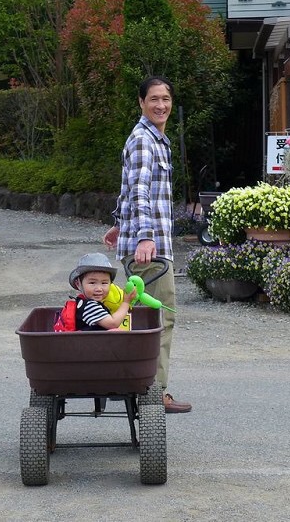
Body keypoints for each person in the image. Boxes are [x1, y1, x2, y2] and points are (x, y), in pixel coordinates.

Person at [103, 75, 192, 414]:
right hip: (149, 249)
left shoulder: (154, 139)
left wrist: (118, 224)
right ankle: (153, 393)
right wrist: (142, 236)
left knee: (144, 319)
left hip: (147, 243)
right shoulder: (144, 140)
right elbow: (139, 191)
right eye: (153, 99)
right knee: (159, 318)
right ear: (141, 102)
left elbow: (129, 188)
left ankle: (141, 389)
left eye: (165, 99)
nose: (160, 105)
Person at [68, 252, 137, 331]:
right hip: (88, 343)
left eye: (104, 283)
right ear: (78, 284)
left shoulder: (85, 302)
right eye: (92, 283)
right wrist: (126, 302)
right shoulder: (90, 306)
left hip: (92, 341)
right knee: (115, 331)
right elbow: (113, 323)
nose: (99, 288)